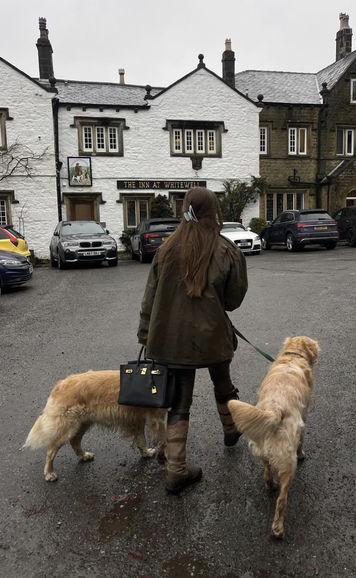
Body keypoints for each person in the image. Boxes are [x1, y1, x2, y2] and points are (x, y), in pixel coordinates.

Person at [137, 187, 248, 494]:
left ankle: (175, 469)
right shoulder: (227, 250)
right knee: (223, 383)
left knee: (179, 402)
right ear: (214, 213)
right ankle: (231, 430)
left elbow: (149, 299)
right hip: (212, 337)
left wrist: (145, 334)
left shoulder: (166, 249)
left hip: (170, 340)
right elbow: (233, 300)